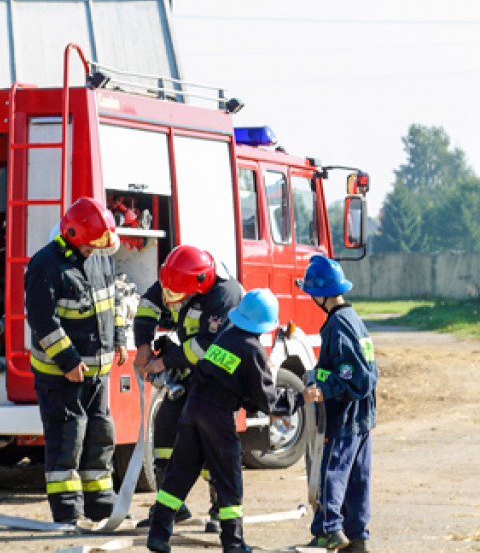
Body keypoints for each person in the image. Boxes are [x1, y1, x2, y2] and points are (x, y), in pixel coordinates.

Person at [146, 288, 311, 553]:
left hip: (193, 408)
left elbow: (237, 385)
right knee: (228, 478)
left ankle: (158, 535)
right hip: (218, 416)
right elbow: (267, 399)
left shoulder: (225, 337)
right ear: (265, 323)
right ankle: (233, 544)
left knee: (179, 473)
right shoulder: (253, 348)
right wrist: (302, 397)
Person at [24, 196, 130, 524]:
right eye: (88, 246)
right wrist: (68, 361)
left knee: (100, 439)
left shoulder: (99, 257)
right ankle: (68, 515)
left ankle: (102, 507)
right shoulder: (45, 265)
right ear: (72, 235)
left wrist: (120, 339)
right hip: (60, 375)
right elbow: (43, 322)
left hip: (97, 374)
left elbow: (114, 300)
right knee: (67, 441)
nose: (92, 252)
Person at [132, 245, 244, 530]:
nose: (171, 298)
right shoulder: (180, 276)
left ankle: (221, 512)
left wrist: (164, 362)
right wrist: (144, 344)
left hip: (217, 381)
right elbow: (149, 303)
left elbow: (207, 346)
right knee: (166, 432)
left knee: (214, 446)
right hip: (185, 374)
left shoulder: (225, 294)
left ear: (199, 285)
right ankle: (170, 507)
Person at [300, 255, 378, 553]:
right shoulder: (353, 318)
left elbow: (351, 374)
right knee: (358, 475)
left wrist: (325, 388)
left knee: (332, 469)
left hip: (345, 413)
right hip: (362, 414)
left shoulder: (338, 325)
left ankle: (328, 530)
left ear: (321, 293)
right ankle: (357, 536)